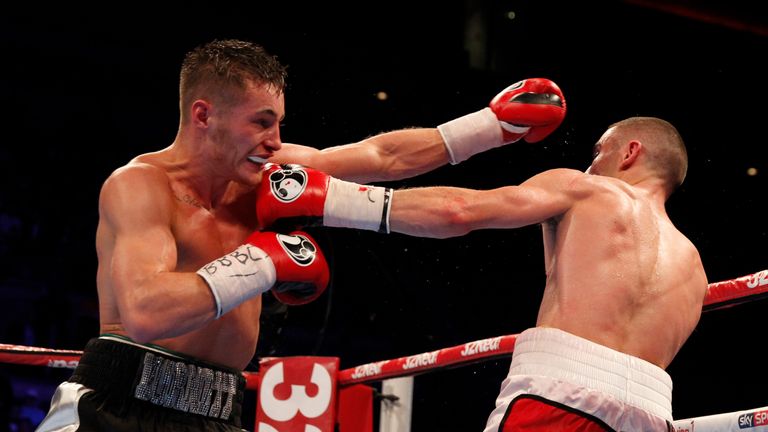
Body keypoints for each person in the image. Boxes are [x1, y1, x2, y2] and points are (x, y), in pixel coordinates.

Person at [35, 38, 565, 431]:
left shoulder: (269, 177)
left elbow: (381, 156)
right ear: (203, 115)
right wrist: (261, 261)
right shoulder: (139, 186)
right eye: (261, 123)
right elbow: (147, 311)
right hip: (118, 404)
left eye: (279, 124)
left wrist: (493, 126)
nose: (276, 142)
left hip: (217, 411)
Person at [256, 116, 708, 431]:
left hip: (561, 394)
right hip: (652, 414)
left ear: (631, 152)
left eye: (599, 152)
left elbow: (460, 211)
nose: (592, 164)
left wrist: (331, 200)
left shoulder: (590, 190)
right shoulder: (694, 268)